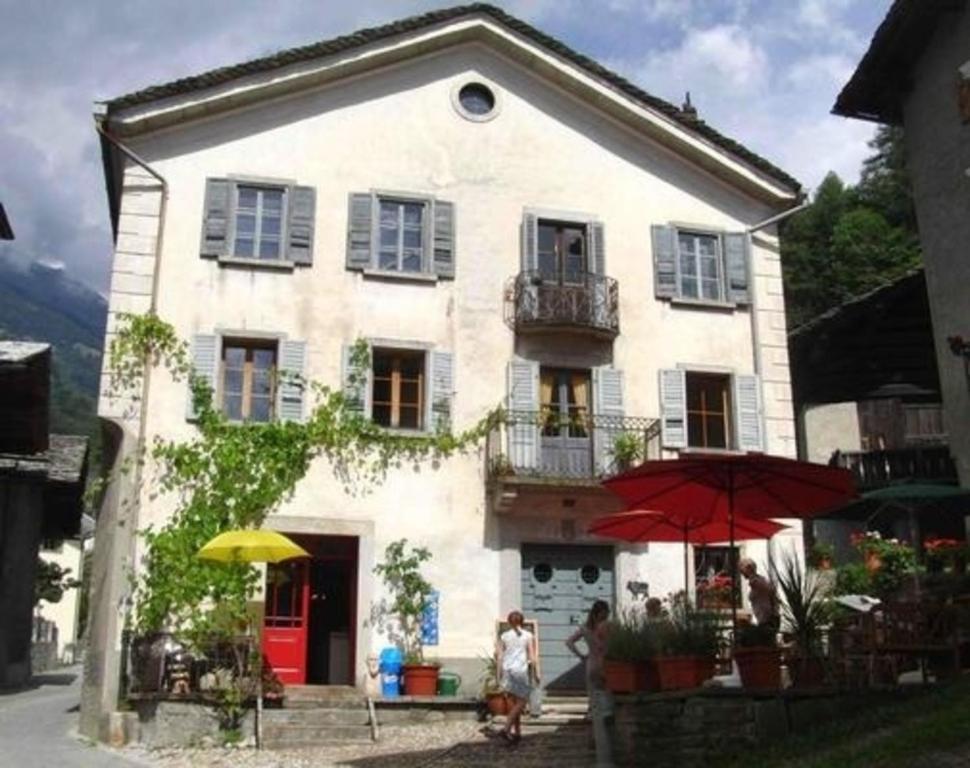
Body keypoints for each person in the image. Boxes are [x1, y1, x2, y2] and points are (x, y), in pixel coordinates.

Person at [566, 600, 614, 768]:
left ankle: (594, 738)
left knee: (594, 704)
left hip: (590, 664)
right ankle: (600, 741)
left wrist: (581, 655)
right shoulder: (607, 627)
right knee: (604, 703)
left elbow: (569, 641)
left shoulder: (585, 628)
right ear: (604, 612)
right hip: (604, 665)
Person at [496, 610, 536, 744]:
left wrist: (498, 675)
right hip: (520, 671)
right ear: (522, 621)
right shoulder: (528, 635)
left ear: (509, 622)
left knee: (514, 702)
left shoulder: (504, 636)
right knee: (522, 701)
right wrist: (535, 671)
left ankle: (517, 732)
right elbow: (531, 656)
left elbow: (500, 657)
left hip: (507, 670)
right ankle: (506, 728)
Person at [739, 557, 780, 631]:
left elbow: (768, 600)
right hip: (766, 619)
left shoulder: (757, 582)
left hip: (767, 620)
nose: (741, 573)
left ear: (749, 568)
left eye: (742, 570)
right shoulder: (760, 581)